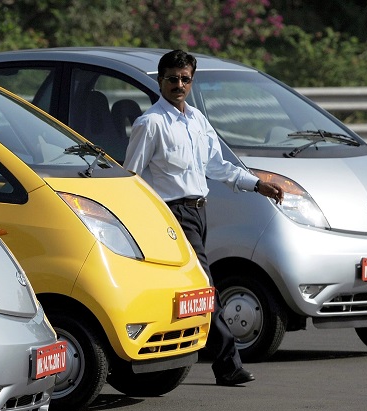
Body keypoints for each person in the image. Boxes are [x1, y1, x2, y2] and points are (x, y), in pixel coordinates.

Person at [122, 49, 284, 387]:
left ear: (191, 82)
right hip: (172, 215)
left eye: (185, 79)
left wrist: (257, 184)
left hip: (199, 211)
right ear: (160, 81)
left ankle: (161, 358)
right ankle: (227, 363)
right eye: (172, 79)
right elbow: (131, 178)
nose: (178, 85)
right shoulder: (150, 124)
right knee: (204, 287)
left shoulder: (196, 119)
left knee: (186, 289)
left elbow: (217, 166)